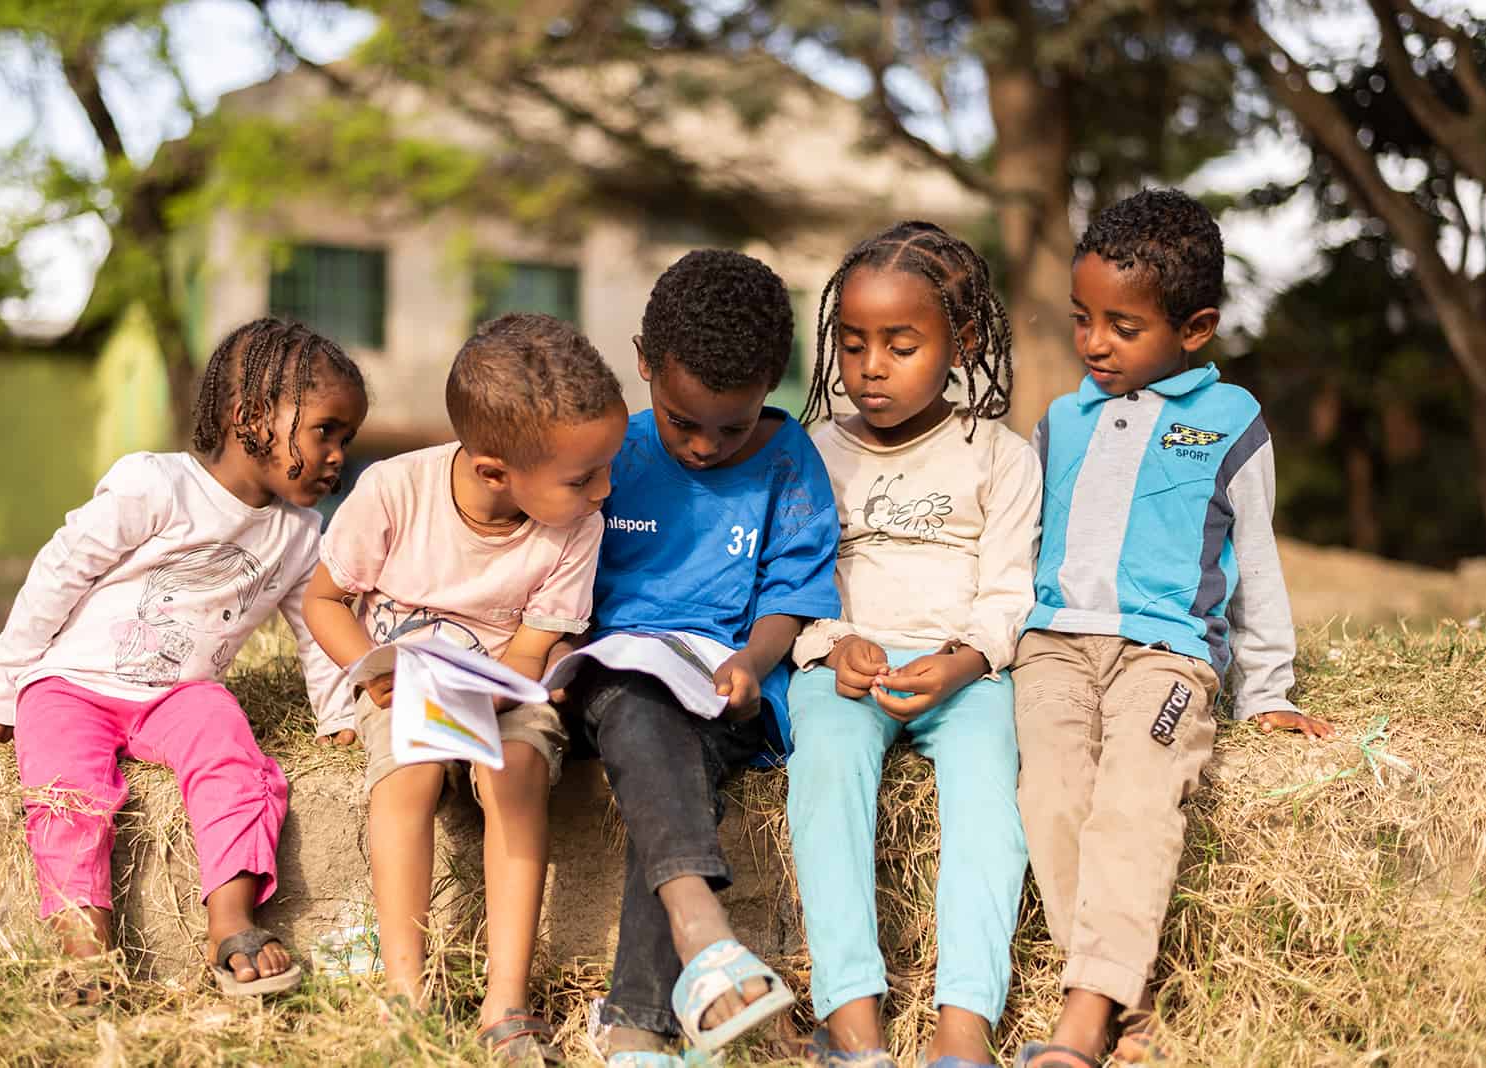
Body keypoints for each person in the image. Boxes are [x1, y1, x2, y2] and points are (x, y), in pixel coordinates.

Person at [1012, 189, 1335, 1068]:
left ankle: (1081, 1021)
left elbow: (1257, 564)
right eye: (1082, 320)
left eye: (1122, 326)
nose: (1093, 344)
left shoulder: (1231, 422)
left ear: (1193, 328)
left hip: (1165, 658)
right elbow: (1023, 540)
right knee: (1047, 793)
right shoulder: (1059, 420)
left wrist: (1266, 690)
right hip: (1049, 647)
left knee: (1134, 796)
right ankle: (1131, 998)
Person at [0, 317, 368, 1001]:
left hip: (179, 695)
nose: (336, 455)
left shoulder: (303, 535)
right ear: (250, 417)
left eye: (345, 439)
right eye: (324, 430)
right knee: (69, 796)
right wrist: (4, 687)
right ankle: (82, 950)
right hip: (72, 686)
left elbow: (315, 630)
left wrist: (338, 715)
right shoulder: (154, 485)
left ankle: (231, 922)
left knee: (234, 753)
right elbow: (58, 574)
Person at [302, 313, 628, 1065]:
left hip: (508, 690)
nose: (605, 489)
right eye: (583, 477)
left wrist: (503, 696)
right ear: (491, 471)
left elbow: (531, 650)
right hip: (401, 687)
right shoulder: (391, 491)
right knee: (410, 778)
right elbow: (324, 600)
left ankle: (505, 1002)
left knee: (513, 773)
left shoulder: (575, 526)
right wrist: (374, 668)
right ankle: (405, 994)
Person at [564, 249, 842, 1066]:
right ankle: (692, 940)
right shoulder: (608, 449)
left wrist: (754, 664)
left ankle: (637, 1026)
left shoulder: (789, 460)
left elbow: (792, 592)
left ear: (770, 385)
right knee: (637, 697)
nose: (703, 446)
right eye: (682, 422)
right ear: (644, 364)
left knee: (673, 752)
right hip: (608, 686)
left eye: (731, 425)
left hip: (727, 691)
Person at [785, 221, 1041, 1068]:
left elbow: (1009, 589)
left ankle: (963, 1023)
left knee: (989, 796)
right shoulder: (813, 452)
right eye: (851, 344)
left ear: (960, 341)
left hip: (962, 671)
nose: (870, 366)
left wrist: (964, 662)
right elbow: (794, 578)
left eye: (900, 344)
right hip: (845, 667)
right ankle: (851, 1016)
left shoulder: (998, 457)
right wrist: (832, 642)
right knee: (824, 772)